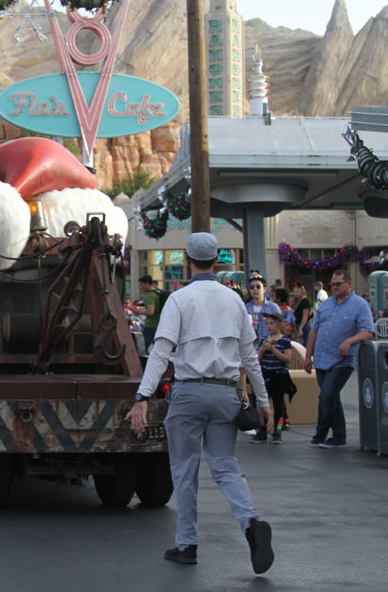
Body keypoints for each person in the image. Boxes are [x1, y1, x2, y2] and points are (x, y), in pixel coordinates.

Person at [127, 233, 273, 574]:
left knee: (185, 469)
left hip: (190, 393)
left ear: (188, 259)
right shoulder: (235, 301)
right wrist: (263, 401)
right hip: (226, 394)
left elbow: (161, 351)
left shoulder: (179, 300)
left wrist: (142, 397)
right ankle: (251, 523)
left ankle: (187, 544)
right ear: (218, 260)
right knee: (225, 466)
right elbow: (249, 357)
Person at [304, 269, 375, 448]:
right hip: (321, 359)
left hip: (342, 361)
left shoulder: (360, 305)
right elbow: (314, 330)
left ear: (349, 283)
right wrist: (307, 356)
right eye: (332, 284)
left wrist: (349, 342)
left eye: (338, 284)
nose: (334, 287)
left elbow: (368, 331)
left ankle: (320, 433)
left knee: (327, 395)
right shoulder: (326, 304)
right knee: (333, 397)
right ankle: (339, 436)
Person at [254, 313, 292, 445]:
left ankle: (278, 430)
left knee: (278, 404)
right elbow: (258, 360)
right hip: (266, 374)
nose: (269, 326)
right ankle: (262, 429)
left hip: (279, 375)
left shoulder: (285, 341)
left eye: (272, 323)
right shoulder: (264, 339)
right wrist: (261, 352)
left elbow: (287, 359)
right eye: (267, 324)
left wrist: (274, 350)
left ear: (279, 324)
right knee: (262, 403)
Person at [245, 276, 280, 347]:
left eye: (258, 287)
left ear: (264, 289)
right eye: (252, 287)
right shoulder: (245, 308)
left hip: (270, 346)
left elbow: (280, 327)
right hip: (251, 347)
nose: (255, 289)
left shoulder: (273, 307)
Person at [134, 275, 161, 349]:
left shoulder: (150, 295)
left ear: (147, 284)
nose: (141, 287)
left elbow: (150, 312)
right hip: (159, 324)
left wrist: (137, 310)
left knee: (142, 348)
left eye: (141, 284)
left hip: (150, 326)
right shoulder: (158, 292)